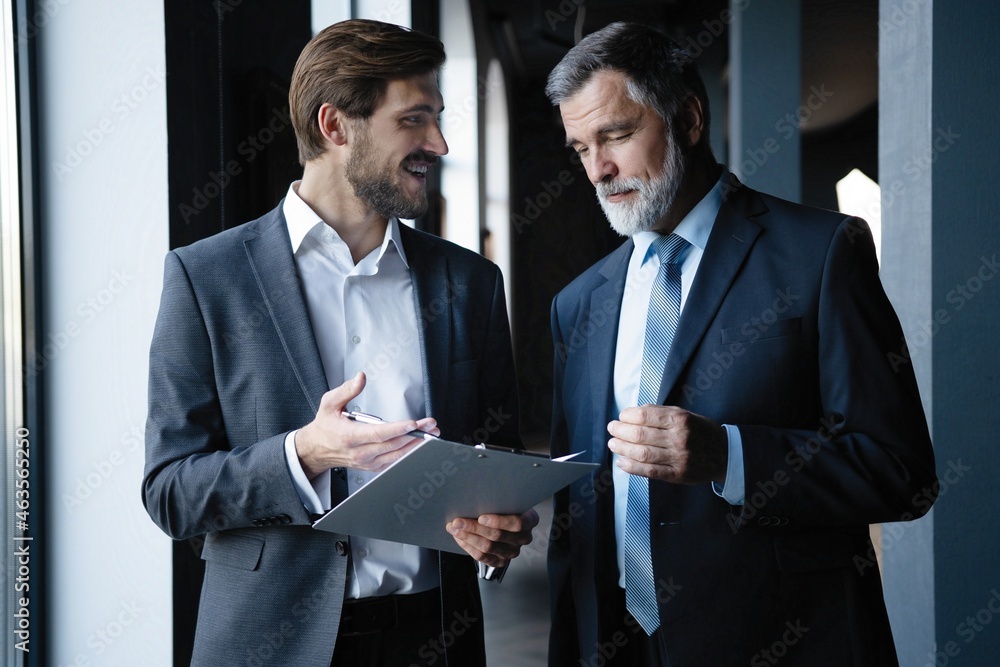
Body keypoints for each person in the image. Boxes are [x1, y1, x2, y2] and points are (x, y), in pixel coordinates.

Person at [143, 19, 537, 667]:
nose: (437, 142)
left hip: (436, 637)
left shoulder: (470, 282)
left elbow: (501, 460)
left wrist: (498, 527)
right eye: (414, 119)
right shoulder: (205, 277)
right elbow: (170, 492)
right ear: (335, 126)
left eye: (437, 118)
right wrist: (305, 453)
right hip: (270, 641)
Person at [544, 22, 936, 667]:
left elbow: (901, 474)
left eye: (616, 136)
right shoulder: (578, 302)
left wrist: (729, 454)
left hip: (781, 640)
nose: (598, 169)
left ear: (689, 119)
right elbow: (574, 507)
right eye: (580, 148)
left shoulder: (823, 253)